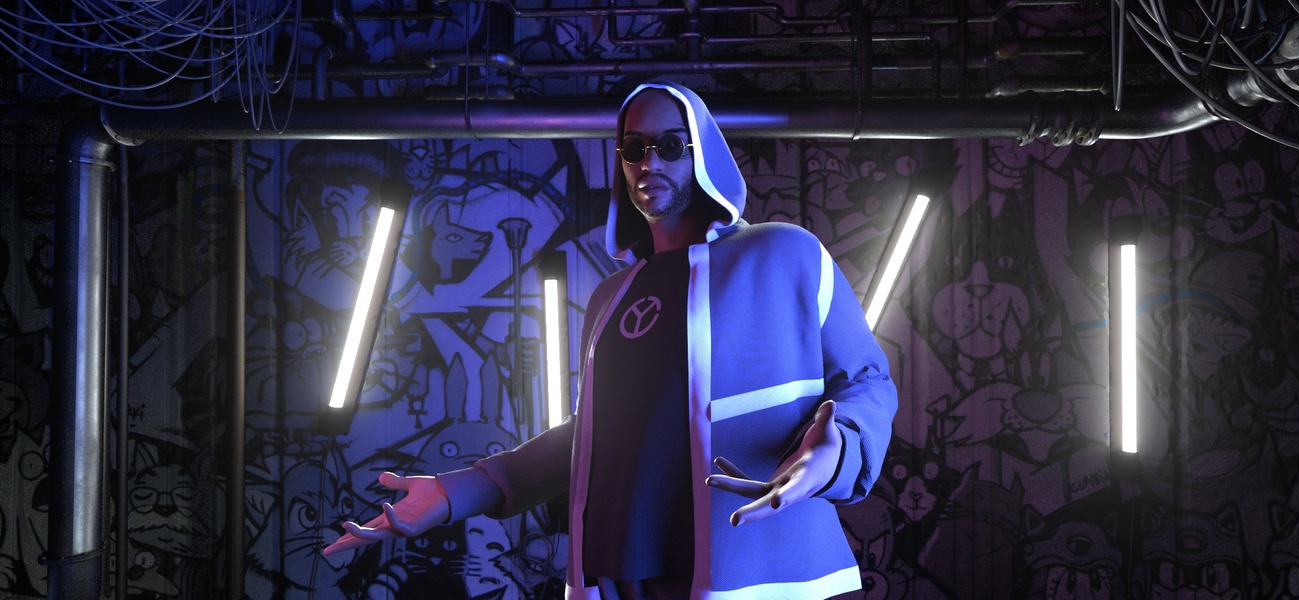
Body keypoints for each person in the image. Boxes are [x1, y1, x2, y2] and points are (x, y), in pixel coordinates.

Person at [323, 80, 898, 600]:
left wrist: (836, 451)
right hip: (620, 578)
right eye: (633, 147)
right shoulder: (611, 296)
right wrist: (461, 491)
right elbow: (597, 434)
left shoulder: (782, 254)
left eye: (669, 145)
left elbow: (866, 379)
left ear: (701, 152)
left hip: (759, 570)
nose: (650, 161)